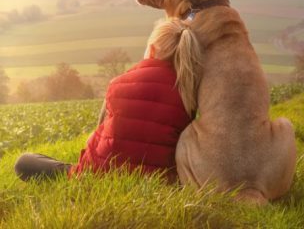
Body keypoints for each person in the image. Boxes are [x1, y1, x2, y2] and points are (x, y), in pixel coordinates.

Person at [14, 18, 202, 183]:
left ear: (152, 50)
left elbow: (99, 142)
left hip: (97, 177)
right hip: (160, 182)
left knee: (25, 162)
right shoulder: (190, 94)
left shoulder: (119, 83)